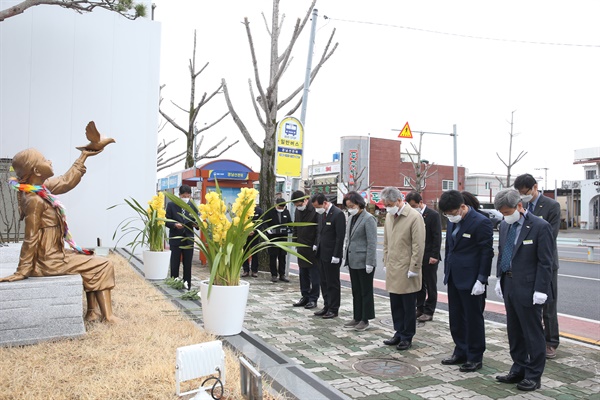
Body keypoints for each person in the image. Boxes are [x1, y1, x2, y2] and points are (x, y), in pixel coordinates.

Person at [1, 148, 119, 323]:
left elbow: (66, 181)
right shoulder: (34, 200)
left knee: (90, 258)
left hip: (55, 253)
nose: (49, 161)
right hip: (49, 260)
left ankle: (93, 313)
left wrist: (84, 155)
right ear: (36, 170)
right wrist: (22, 271)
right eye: (44, 160)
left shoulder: (41, 189)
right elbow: (30, 238)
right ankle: (108, 317)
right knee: (103, 264)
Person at [494, 189, 553, 391]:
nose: (505, 216)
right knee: (514, 330)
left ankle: (534, 375)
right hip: (509, 284)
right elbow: (502, 252)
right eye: (502, 213)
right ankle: (518, 367)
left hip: (529, 287)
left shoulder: (539, 226)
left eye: (508, 211)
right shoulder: (504, 225)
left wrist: (541, 289)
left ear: (520, 205)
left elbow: (546, 262)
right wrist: (499, 277)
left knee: (532, 332)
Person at [438, 190, 493, 372]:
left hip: (472, 279)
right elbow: (451, 249)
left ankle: (475, 356)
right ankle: (460, 350)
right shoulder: (453, 221)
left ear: (462, 207)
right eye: (447, 214)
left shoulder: (481, 222)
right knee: (456, 317)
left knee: (472, 318)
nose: (450, 217)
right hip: (454, 276)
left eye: (452, 213)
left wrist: (481, 279)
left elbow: (486, 252)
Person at [513, 173, 561, 359]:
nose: (523, 196)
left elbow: (550, 235)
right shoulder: (521, 205)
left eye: (525, 192)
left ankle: (551, 341)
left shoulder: (551, 206)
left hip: (545, 262)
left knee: (548, 304)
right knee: (527, 303)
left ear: (534, 187)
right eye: (520, 194)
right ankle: (532, 338)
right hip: (524, 263)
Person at [381, 187, 425, 350]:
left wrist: (414, 267)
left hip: (407, 268)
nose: (388, 207)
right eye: (385, 204)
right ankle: (398, 332)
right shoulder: (389, 215)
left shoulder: (414, 217)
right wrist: (386, 261)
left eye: (390, 204)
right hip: (393, 266)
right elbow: (386, 242)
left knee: (408, 305)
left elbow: (418, 245)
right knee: (395, 304)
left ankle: (407, 335)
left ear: (400, 200)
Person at [341, 191, 378, 331]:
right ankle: (357, 316)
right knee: (356, 290)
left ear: (359, 203)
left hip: (364, 261)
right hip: (353, 260)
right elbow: (349, 238)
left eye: (352, 205)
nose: (350, 208)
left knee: (365, 291)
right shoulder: (351, 218)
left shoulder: (368, 219)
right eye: (348, 206)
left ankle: (365, 318)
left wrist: (370, 262)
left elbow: (372, 242)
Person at [405, 191, 441, 323]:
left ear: (420, 202)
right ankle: (419, 308)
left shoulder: (432, 215)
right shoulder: (411, 216)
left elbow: (437, 236)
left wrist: (434, 255)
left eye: (414, 205)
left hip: (429, 255)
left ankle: (429, 310)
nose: (412, 208)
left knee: (430, 284)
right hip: (417, 255)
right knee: (419, 284)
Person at [311, 193, 346, 319]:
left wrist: (337, 255)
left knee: (332, 282)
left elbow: (339, 237)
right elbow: (319, 232)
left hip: (332, 255)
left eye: (317, 206)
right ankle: (326, 305)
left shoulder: (338, 214)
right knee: (324, 282)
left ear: (325, 203)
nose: (316, 209)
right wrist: (316, 245)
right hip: (321, 253)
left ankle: (334, 308)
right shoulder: (321, 214)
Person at [291, 190, 320, 309]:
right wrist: (295, 240)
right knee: (303, 274)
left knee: (314, 275)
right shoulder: (298, 212)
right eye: (296, 206)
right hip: (301, 247)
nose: (298, 207)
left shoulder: (314, 210)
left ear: (305, 200)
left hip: (312, 248)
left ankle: (313, 299)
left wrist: (316, 244)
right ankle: (305, 296)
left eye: (299, 204)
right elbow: (295, 227)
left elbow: (319, 229)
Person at [166, 185, 198, 290]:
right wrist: (175, 224)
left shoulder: (193, 206)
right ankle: (174, 283)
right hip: (176, 238)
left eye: (188, 195)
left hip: (188, 239)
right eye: (184, 195)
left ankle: (187, 284)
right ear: (179, 195)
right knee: (174, 263)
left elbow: (197, 221)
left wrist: (196, 225)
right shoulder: (171, 205)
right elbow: (167, 221)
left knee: (187, 264)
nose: (186, 197)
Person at [265, 198, 292, 283]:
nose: (281, 209)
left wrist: (289, 228)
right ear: (276, 205)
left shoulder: (286, 212)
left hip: (283, 237)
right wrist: (267, 230)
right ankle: (274, 275)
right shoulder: (270, 212)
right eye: (279, 207)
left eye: (282, 207)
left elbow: (290, 222)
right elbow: (264, 222)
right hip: (273, 237)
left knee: (282, 257)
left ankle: (282, 274)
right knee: (273, 256)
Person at [241, 204, 264, 278]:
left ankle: (254, 270)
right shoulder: (243, 209)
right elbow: (240, 221)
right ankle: (246, 270)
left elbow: (261, 222)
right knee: (244, 253)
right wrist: (246, 231)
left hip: (255, 235)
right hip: (245, 235)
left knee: (255, 253)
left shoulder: (259, 211)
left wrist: (254, 231)